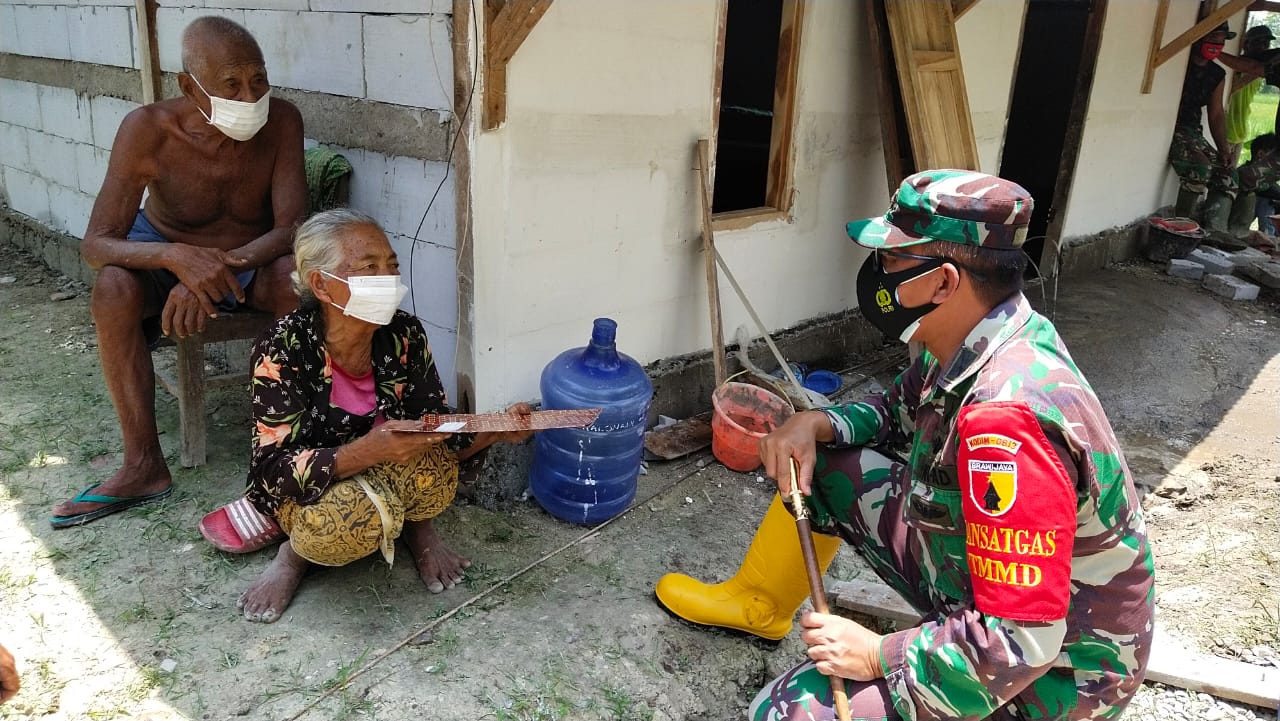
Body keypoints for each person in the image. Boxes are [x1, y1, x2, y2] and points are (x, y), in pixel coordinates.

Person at [655, 171, 1155, 721]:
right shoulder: (966, 339)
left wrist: (877, 653)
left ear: (943, 282)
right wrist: (817, 424)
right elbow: (896, 414)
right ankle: (758, 603)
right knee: (826, 466)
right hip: (984, 594)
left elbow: (1021, 641)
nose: (877, 274)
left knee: (790, 711)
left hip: (1055, 678)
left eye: (892, 261)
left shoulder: (1007, 423)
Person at [49, 16, 306, 528]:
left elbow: (291, 227)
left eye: (258, 80)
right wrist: (177, 259)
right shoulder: (147, 130)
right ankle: (143, 464)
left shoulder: (282, 121)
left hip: (247, 257)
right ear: (189, 87)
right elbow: (97, 244)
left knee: (298, 284)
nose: (249, 95)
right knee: (113, 288)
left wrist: (214, 270)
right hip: (164, 251)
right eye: (230, 84)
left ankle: (291, 453)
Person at [235, 209, 533, 623]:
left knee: (438, 468)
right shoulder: (284, 347)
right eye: (369, 268)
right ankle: (294, 556)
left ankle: (418, 529)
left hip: (390, 465)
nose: (389, 280)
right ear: (321, 284)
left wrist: (495, 430)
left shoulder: (403, 333)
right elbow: (271, 469)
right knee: (339, 525)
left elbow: (433, 423)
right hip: (321, 484)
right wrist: (367, 451)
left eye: (391, 266)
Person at [1169, 23, 1236, 222]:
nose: (1217, 44)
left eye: (1222, 40)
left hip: (1192, 130)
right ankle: (1180, 227)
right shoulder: (1178, 63)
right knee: (1200, 167)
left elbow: (1215, 114)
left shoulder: (1217, 74)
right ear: (1198, 38)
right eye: (1213, 38)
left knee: (1228, 174)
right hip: (1173, 128)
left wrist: (1224, 149)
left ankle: (1215, 231)